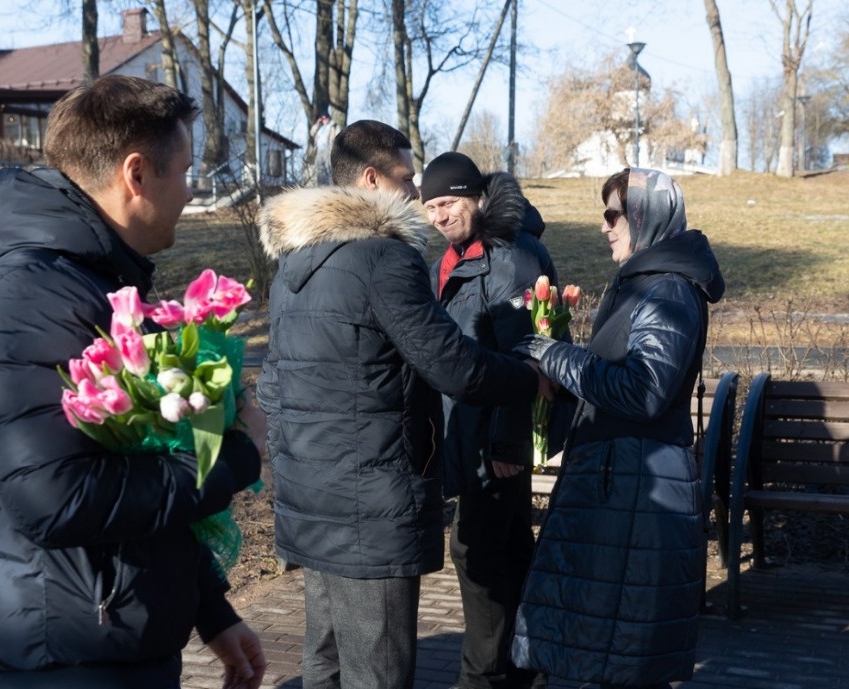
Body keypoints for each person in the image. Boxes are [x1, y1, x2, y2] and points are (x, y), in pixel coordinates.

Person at [0, 75, 268, 689]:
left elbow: (134, 465)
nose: (189, 190)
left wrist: (210, 610)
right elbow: (56, 498)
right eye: (185, 171)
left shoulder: (86, 284)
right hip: (63, 658)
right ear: (136, 174)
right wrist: (234, 456)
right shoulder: (30, 297)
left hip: (105, 638)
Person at [255, 120, 547, 689]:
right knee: (378, 670)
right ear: (371, 179)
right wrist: (529, 379)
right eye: (407, 179)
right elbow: (451, 365)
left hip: (308, 496)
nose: (415, 194)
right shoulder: (383, 258)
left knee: (324, 662)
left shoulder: (292, 263)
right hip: (369, 502)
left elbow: (272, 384)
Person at [510, 168, 726, 689]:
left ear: (645, 217)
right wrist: (562, 378)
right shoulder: (642, 281)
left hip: (638, 489)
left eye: (613, 215)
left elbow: (643, 390)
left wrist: (555, 357)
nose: (604, 226)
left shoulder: (668, 289)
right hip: (619, 484)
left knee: (625, 658)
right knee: (606, 650)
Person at [422, 151, 554, 689]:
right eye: (430, 206)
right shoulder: (457, 256)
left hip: (493, 437)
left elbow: (530, 355)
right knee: (510, 550)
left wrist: (508, 442)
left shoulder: (509, 256)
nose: (439, 216)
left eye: (448, 203)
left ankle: (482, 679)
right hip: (470, 430)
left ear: (476, 198)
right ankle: (527, 670)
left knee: (475, 552)